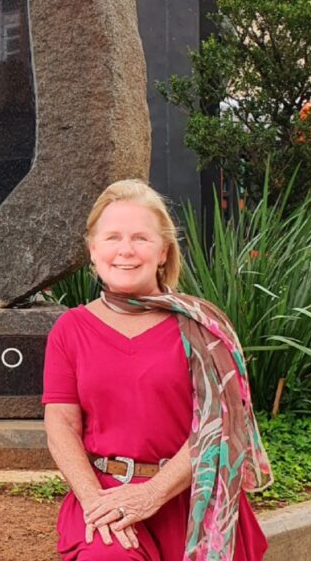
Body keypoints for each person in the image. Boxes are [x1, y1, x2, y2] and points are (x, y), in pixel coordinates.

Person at [42, 179, 272, 560]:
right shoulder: (70, 329)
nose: (126, 251)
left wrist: (151, 494)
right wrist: (94, 502)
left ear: (163, 251)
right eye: (112, 237)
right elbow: (61, 425)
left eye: (141, 238)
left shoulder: (203, 328)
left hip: (194, 500)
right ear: (93, 250)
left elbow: (220, 428)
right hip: (105, 496)